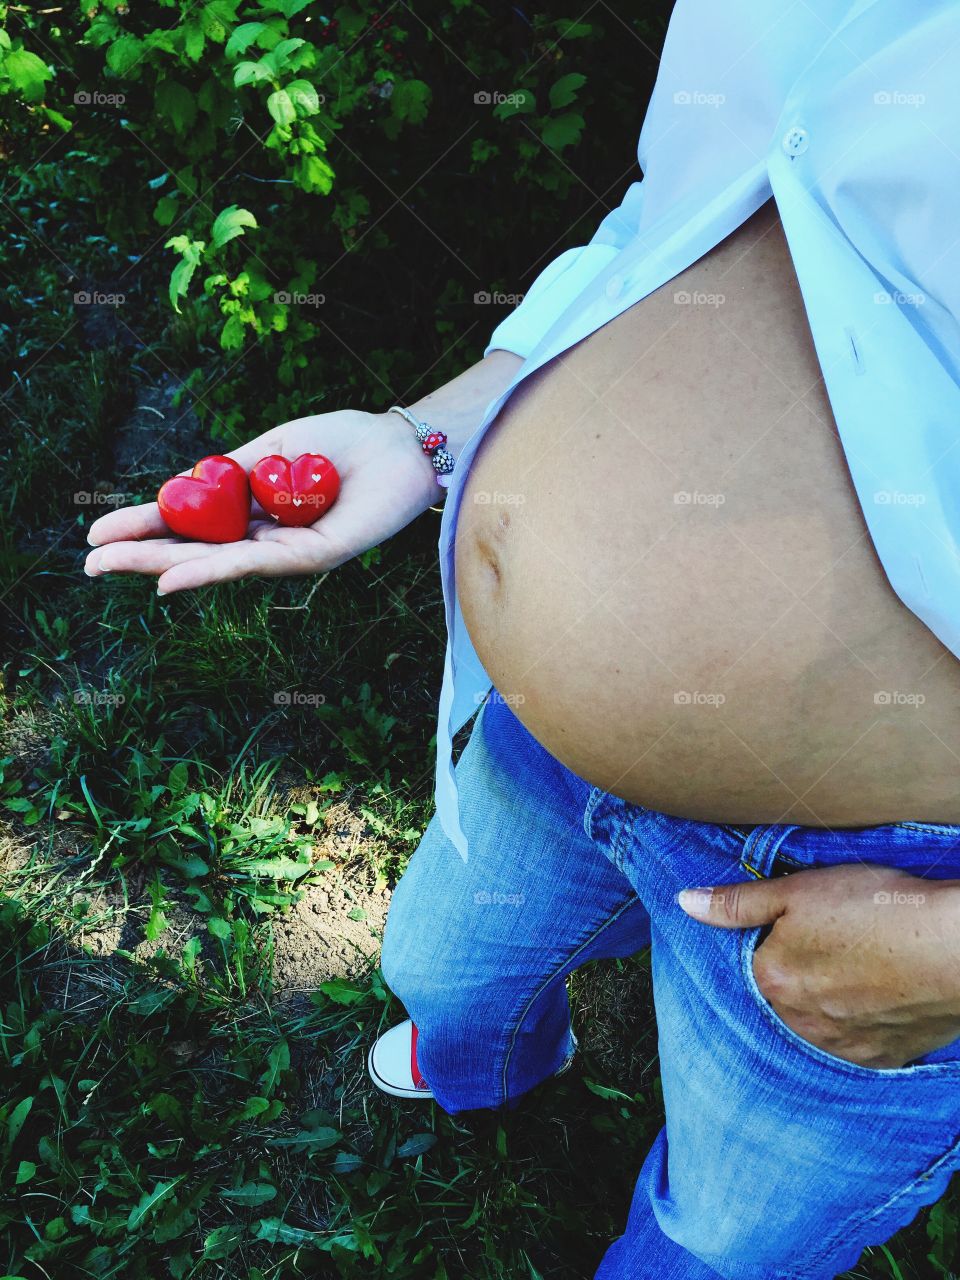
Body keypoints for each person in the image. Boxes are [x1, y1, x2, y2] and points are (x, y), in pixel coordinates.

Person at [85, 1, 960, 1275]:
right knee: (441, 967)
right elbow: (674, 228)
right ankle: (492, 1066)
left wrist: (942, 956)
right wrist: (427, 433)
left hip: (875, 866)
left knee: (723, 1236)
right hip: (540, 734)